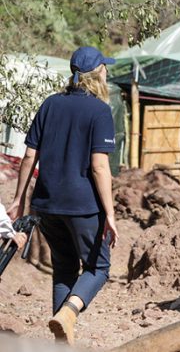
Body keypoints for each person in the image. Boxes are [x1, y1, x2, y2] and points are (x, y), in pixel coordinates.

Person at [8, 46, 119, 345]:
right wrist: (109, 213)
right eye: (105, 68)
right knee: (98, 267)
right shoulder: (99, 110)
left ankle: (61, 343)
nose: (107, 72)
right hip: (83, 206)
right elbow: (99, 167)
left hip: (46, 204)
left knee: (64, 269)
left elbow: (30, 155)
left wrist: (20, 200)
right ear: (97, 74)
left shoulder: (50, 104)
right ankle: (69, 313)